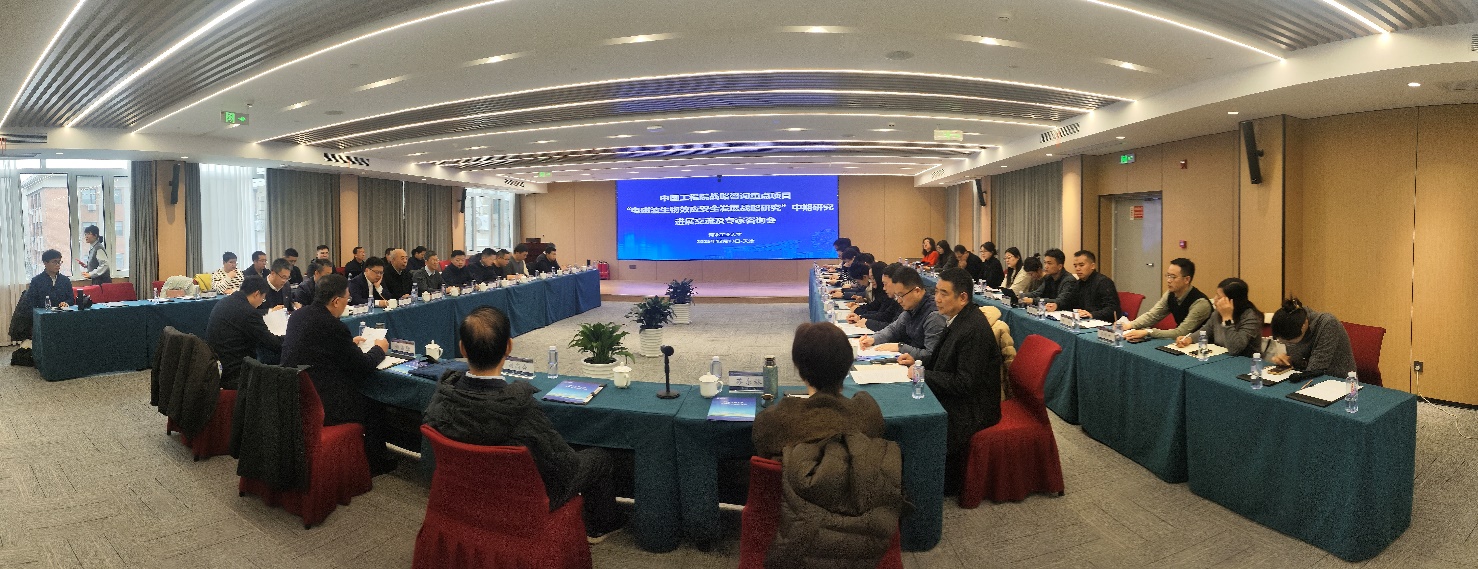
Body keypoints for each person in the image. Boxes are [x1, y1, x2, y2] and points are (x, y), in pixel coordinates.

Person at [423, 306, 626, 542]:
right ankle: (603, 524)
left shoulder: (442, 396)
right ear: (509, 347)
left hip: (465, 494)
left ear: (462, 349)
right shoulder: (520, 409)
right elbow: (565, 466)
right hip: (522, 503)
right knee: (599, 459)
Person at [281, 274, 396, 475]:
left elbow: (318, 346)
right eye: (346, 299)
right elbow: (363, 365)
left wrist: (347, 345)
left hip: (294, 394)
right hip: (322, 403)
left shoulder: (299, 315)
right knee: (373, 402)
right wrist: (379, 349)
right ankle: (375, 463)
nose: (347, 304)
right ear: (335, 301)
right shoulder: (334, 326)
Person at [910, 268, 1001, 494]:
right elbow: (942, 358)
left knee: (916, 420)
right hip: (960, 395)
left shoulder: (973, 329)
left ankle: (927, 484)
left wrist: (922, 374)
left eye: (944, 293)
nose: (937, 299)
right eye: (936, 292)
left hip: (974, 407)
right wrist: (916, 362)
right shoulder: (958, 318)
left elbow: (964, 383)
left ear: (962, 297)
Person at [205, 276, 284, 389]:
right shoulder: (248, 313)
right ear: (256, 294)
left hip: (217, 366)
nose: (261, 303)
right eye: (263, 299)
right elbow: (273, 344)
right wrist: (288, 337)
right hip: (235, 373)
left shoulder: (226, 301)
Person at [858, 266, 944, 361]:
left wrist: (900, 347)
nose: (898, 301)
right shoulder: (912, 307)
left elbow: (931, 355)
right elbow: (893, 329)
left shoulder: (934, 316)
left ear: (917, 291)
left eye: (900, 295)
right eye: (896, 296)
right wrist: (873, 339)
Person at [1123, 258, 1212, 342]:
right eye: (1168, 275)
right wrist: (1129, 325)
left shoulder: (1200, 303)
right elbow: (1153, 315)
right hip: (1181, 342)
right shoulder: (1170, 294)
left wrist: (1148, 332)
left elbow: (1181, 332)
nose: (1168, 280)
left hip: (1202, 345)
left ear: (1187, 279)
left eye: (1173, 277)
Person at [1268, 298, 1357, 377]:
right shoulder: (1292, 322)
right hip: (1307, 378)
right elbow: (1300, 362)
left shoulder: (1328, 324)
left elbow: (1314, 370)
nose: (1288, 345)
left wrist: (1295, 362)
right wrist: (1288, 361)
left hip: (1337, 381)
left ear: (1303, 326)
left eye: (1289, 342)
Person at [1178, 278, 1264, 358]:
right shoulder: (1217, 313)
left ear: (1232, 301)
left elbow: (1235, 349)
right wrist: (1189, 339)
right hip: (1221, 357)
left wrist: (1227, 318)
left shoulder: (1251, 317)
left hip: (1245, 362)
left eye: (1219, 297)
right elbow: (1206, 330)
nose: (1215, 299)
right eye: (1216, 295)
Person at [1047, 250, 1120, 322]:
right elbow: (1069, 302)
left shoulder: (1104, 282)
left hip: (1102, 323)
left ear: (1092, 266)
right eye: (1075, 266)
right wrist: (1057, 305)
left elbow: (1113, 309)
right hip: (1083, 321)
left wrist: (1092, 314)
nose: (1077, 269)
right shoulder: (1079, 283)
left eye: (1081, 265)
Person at [850, 262, 902, 332]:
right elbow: (886, 315)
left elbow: (895, 329)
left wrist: (867, 322)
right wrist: (861, 317)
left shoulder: (897, 299)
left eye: (873, 278)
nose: (884, 288)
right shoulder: (895, 298)